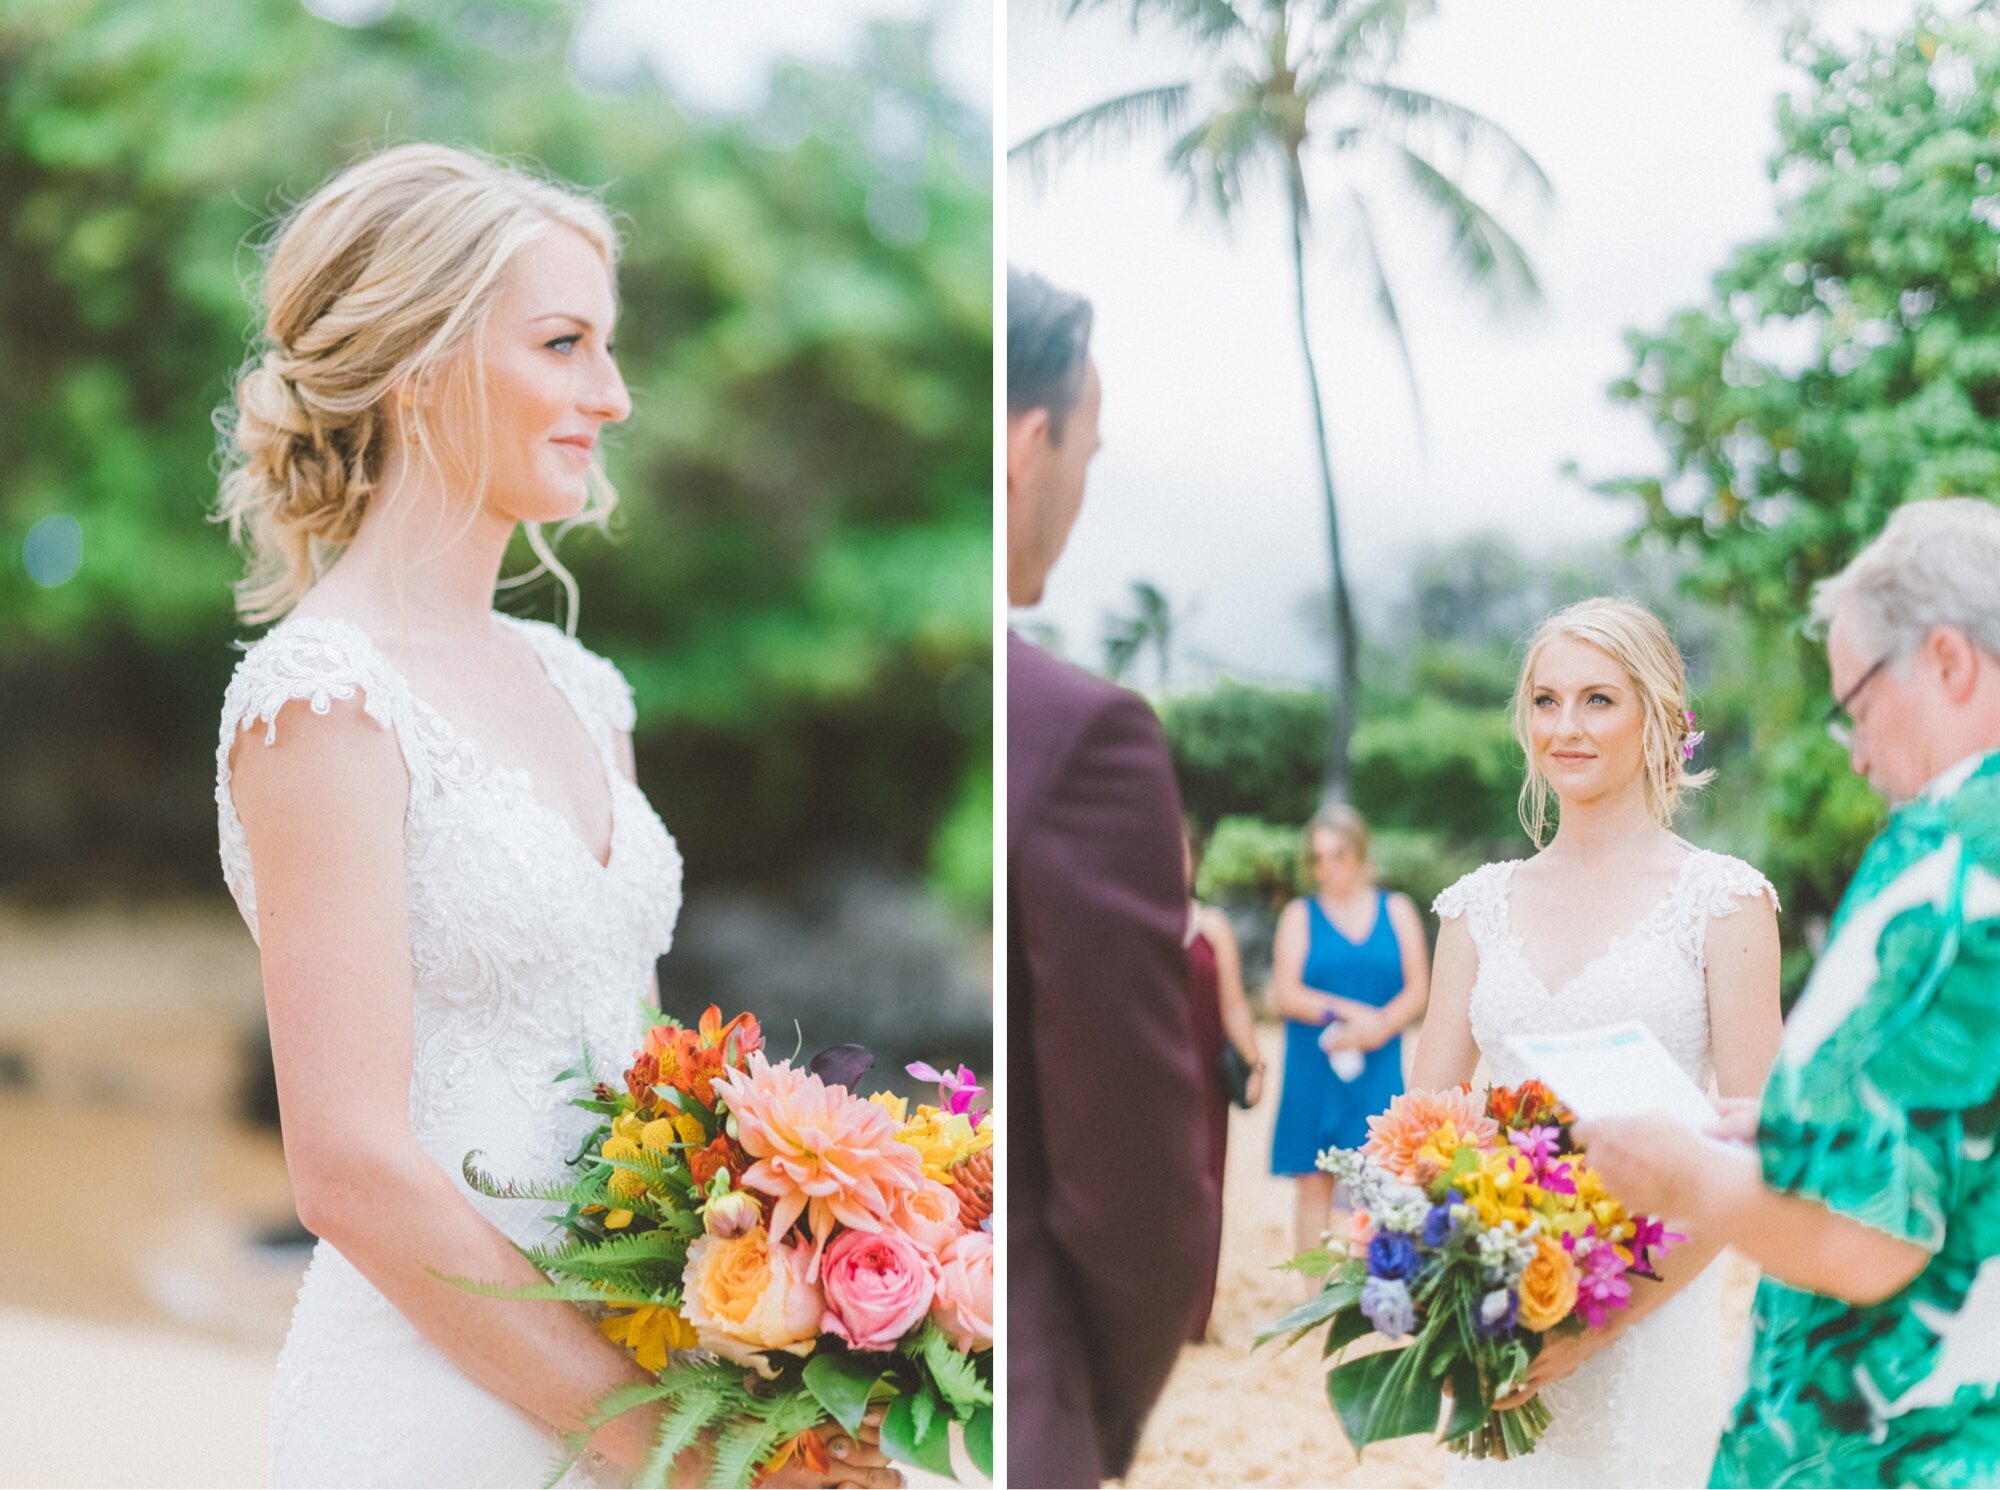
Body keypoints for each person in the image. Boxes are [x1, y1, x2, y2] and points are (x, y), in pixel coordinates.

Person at [214, 145, 894, 1489]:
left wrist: (771, 1352)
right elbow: (346, 1164)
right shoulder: (323, 699)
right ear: (420, 361)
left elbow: (648, 1089)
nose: (614, 394)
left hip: (652, 1373)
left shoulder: (584, 691)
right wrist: (658, 1447)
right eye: (566, 343)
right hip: (435, 1408)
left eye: (610, 346)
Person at [1577, 500, 2000, 1489]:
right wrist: (1789, 1127)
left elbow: (1869, 1237)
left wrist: (1677, 1174)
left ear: (1947, 661)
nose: (1852, 751)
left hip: (1898, 1443)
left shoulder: (1947, 866)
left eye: (1854, 702)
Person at [1408, 596, 1784, 1487]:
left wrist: (1592, 1327)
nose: (1565, 728)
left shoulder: (1724, 903)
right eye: (1545, 701)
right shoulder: (1474, 909)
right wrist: (1446, 1288)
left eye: (1598, 700)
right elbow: (1423, 1133)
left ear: (1658, 718)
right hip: (1499, 1323)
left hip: (1651, 1321)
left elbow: (1759, 1158)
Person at [1006, 266, 1217, 1488]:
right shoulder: (1086, 735)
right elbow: (1139, 1204)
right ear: (1033, 440)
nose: (1085, 486)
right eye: (1089, 446)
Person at [1268, 807, 1430, 1264]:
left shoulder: (1395, 910)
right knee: (1313, 1182)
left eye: (1338, 855)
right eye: (1318, 858)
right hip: (1314, 1061)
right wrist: (1353, 1014)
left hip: (1379, 1062)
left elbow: (1419, 988)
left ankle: (1382, 1290)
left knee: (1385, 1176)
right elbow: (1286, 992)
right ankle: (1312, 1296)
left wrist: (1381, 1027)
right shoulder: (1300, 915)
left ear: (1360, 854)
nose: (1328, 868)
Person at [1182, 819, 1264, 1341]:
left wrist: (1255, 1063)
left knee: (1207, 1192)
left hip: (1205, 1085)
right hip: (1145, 1085)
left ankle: (1194, 1317)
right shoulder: (1124, 920)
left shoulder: (1213, 925)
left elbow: (1233, 1002)